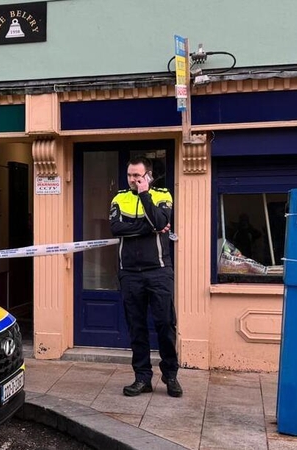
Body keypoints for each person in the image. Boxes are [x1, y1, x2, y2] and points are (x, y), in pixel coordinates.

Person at [109, 156, 182, 398]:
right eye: (130, 175)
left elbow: (161, 220)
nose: (132, 179)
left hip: (159, 271)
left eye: (137, 176)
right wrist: (148, 228)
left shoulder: (163, 195)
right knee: (137, 328)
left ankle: (170, 375)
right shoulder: (119, 198)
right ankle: (142, 378)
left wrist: (144, 194)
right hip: (130, 274)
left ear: (147, 176)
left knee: (165, 325)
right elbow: (116, 228)